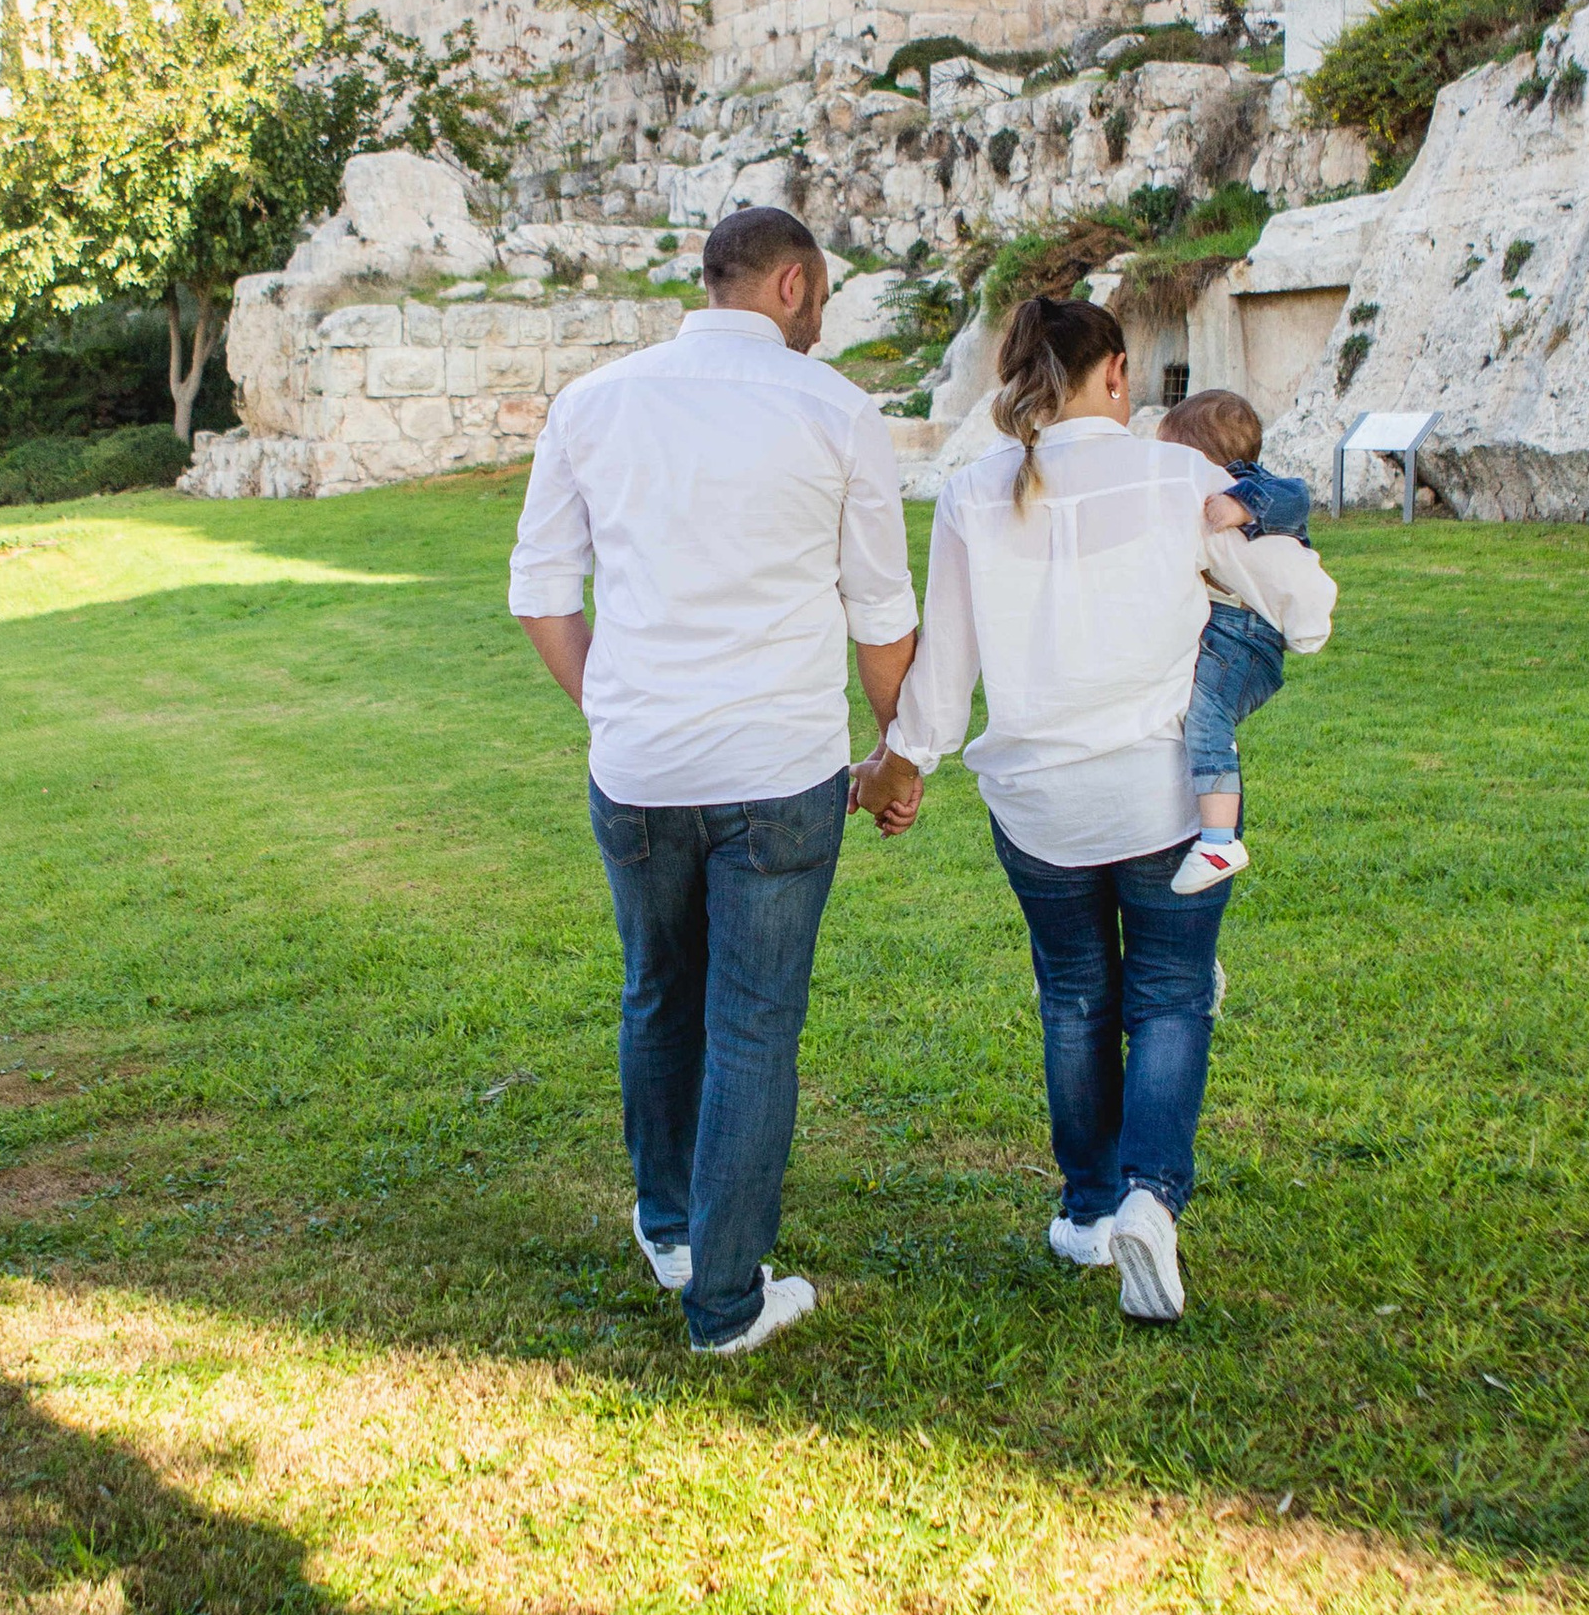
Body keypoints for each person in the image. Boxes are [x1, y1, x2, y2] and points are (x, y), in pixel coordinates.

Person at [507, 203, 918, 1357]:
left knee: (656, 993)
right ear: (790, 285)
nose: (822, 320)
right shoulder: (836, 411)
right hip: (777, 770)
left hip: (637, 766)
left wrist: (614, 709)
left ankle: (673, 1226)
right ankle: (726, 1302)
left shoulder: (592, 403)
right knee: (751, 1024)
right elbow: (880, 616)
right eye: (823, 297)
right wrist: (897, 755)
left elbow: (542, 591)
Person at [853, 294, 1260, 1326]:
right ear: (1116, 372)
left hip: (1037, 807)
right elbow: (1274, 591)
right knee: (1169, 994)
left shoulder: (972, 492)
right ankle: (1149, 1200)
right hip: (1163, 792)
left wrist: (901, 770)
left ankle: (1086, 1211)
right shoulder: (1182, 474)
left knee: (1075, 996)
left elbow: (941, 676)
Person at [1154, 387, 1335, 892]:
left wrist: (1243, 504)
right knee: (1194, 713)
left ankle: (1218, 841)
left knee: (1206, 717)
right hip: (1230, 626)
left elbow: (1296, 494)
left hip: (1247, 635)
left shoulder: (1251, 490)